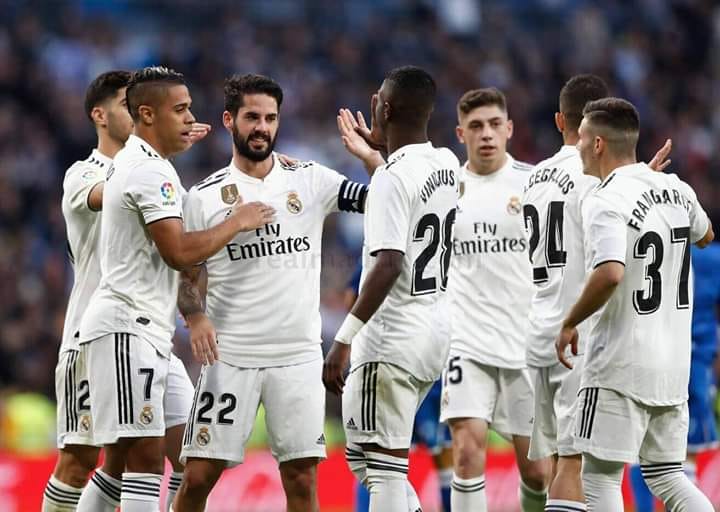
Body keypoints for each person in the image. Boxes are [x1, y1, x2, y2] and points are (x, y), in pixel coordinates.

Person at [76, 66, 274, 512]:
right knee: (142, 460)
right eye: (181, 110)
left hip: (150, 333)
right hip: (126, 327)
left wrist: (174, 139)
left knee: (189, 455)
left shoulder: (146, 163)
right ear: (147, 114)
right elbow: (179, 252)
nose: (190, 118)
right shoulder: (150, 171)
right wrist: (237, 222)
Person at [172, 73, 367, 512]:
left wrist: (373, 158)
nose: (262, 127)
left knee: (301, 477)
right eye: (252, 118)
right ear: (229, 120)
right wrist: (196, 316)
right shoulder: (202, 198)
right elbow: (184, 275)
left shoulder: (310, 178)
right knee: (198, 476)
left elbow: (377, 200)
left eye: (270, 118)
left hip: (297, 356)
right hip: (230, 356)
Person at [45, 70, 209, 512]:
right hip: (94, 335)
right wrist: (160, 150)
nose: (135, 113)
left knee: (193, 456)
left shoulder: (154, 168)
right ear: (99, 116)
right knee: (81, 460)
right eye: (125, 105)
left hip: (150, 334)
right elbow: (121, 191)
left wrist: (165, 150)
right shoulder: (84, 174)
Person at [556, 97, 715, 511]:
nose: (577, 147)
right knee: (667, 476)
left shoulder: (604, 199)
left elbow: (610, 272)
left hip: (619, 365)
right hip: (672, 368)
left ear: (597, 144)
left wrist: (570, 322)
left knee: (599, 476)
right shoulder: (677, 189)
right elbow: (706, 235)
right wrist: (651, 184)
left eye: (582, 139)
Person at [323, 65, 460, 512]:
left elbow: (389, 265)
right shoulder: (446, 163)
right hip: (433, 336)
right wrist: (377, 153)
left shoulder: (391, 178)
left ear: (383, 107)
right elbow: (407, 188)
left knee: (380, 469)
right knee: (368, 459)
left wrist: (343, 340)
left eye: (379, 99)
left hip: (390, 339)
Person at [437, 87, 548, 512]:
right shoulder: (446, 190)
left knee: (537, 473)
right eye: (476, 126)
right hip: (465, 341)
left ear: (510, 129)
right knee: (466, 451)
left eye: (494, 124)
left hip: (525, 343)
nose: (486, 133)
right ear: (460, 133)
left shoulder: (535, 184)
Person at [521, 74, 609, 512]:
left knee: (559, 461)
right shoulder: (595, 176)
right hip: (579, 336)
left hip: (540, 331)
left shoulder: (533, 178)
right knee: (577, 464)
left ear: (560, 120)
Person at [345, 261, 454, 512]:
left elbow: (352, 295)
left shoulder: (389, 251)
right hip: (428, 361)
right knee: (435, 456)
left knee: (376, 456)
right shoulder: (431, 249)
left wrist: (354, 335)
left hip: (396, 359)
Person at [630, 241, 720, 510]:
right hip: (696, 362)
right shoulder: (713, 259)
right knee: (686, 450)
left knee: (639, 444)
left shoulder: (650, 242)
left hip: (650, 354)